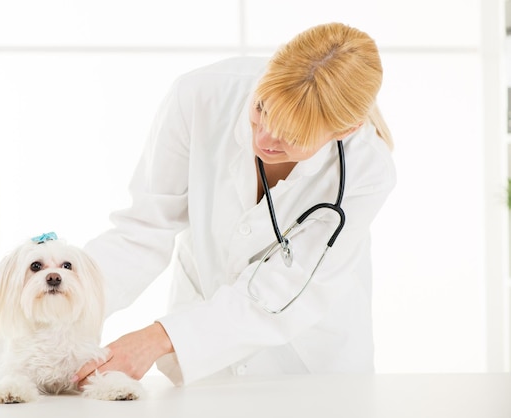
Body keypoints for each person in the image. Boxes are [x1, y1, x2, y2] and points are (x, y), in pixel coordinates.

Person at [73, 22, 396, 387]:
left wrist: (157, 338)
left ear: (345, 130)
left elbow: (279, 293)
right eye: (262, 109)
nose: (264, 138)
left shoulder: (366, 169)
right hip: (207, 360)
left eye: (291, 135)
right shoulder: (200, 97)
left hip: (312, 364)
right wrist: (67, 304)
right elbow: (144, 228)